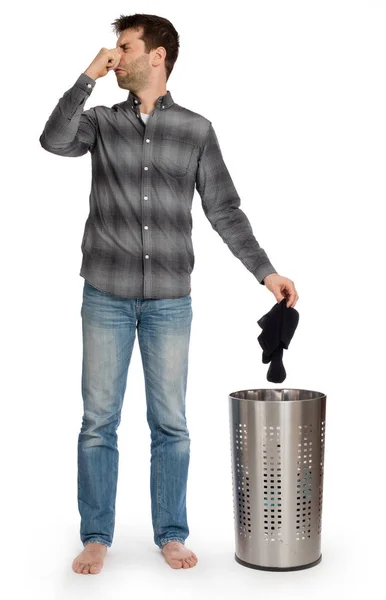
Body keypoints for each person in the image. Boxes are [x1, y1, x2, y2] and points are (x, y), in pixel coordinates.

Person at [39, 13, 299, 575]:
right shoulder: (102, 121)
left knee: (171, 423)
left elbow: (224, 210)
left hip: (169, 301)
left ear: (156, 56)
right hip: (105, 294)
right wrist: (87, 75)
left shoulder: (197, 130)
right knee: (98, 421)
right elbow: (53, 140)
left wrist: (266, 272)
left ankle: (171, 534)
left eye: (124, 48)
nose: (115, 57)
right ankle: (96, 536)